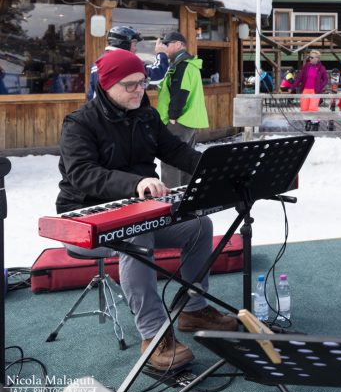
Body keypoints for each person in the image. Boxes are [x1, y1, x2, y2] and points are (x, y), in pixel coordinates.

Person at [55, 48, 236, 372]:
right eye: (130, 84)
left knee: (199, 226)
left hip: (139, 210)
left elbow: (176, 151)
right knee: (140, 237)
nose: (140, 89)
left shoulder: (147, 116)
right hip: (84, 217)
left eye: (142, 82)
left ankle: (194, 309)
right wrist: (136, 183)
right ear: (106, 86)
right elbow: (82, 174)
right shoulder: (79, 124)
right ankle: (153, 335)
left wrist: (219, 169)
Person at [156, 31, 209, 188]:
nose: (164, 47)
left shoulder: (183, 65)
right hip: (188, 119)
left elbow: (181, 92)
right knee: (185, 158)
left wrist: (173, 115)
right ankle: (185, 193)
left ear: (178, 44)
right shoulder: (185, 64)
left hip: (180, 120)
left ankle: (171, 198)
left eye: (167, 44)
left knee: (170, 158)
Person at [86, 26, 169, 101]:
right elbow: (158, 75)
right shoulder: (124, 61)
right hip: (115, 115)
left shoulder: (99, 61)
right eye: (134, 44)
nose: (136, 49)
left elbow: (91, 94)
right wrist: (161, 54)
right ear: (123, 43)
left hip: (97, 113)